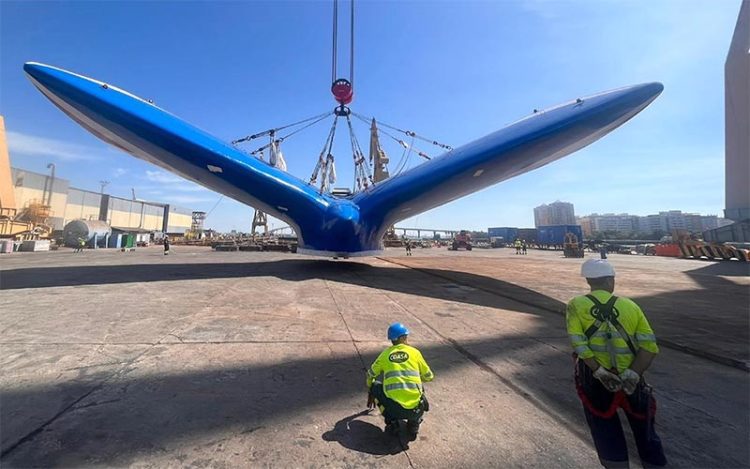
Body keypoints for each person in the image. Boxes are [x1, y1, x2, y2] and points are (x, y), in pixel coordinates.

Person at [566, 259, 667, 468]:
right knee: (645, 430)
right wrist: (632, 374)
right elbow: (649, 347)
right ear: (611, 280)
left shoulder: (576, 305)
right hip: (632, 379)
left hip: (597, 381)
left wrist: (600, 371)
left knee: (605, 429)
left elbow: (579, 344)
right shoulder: (631, 306)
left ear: (588, 281)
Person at [366, 322, 434, 439]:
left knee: (375, 386)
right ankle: (414, 423)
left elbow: (370, 375)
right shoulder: (415, 352)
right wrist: (417, 378)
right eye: (406, 336)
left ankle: (392, 422)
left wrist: (370, 390)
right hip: (415, 410)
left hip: (393, 410)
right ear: (402, 338)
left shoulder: (385, 355)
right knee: (420, 387)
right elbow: (429, 376)